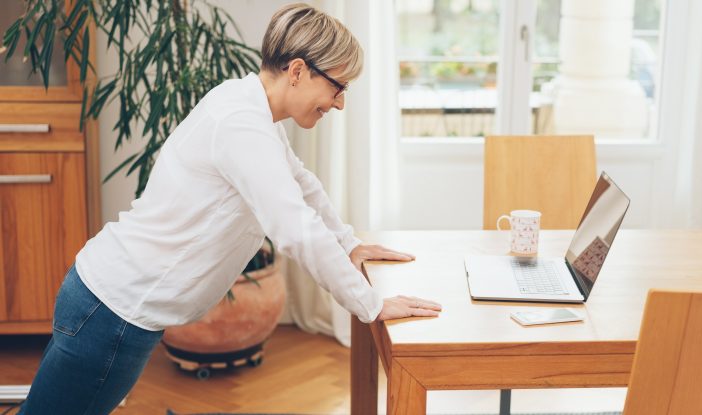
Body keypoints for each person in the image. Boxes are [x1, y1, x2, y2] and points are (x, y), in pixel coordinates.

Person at [19, 3, 442, 414]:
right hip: (111, 313)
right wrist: (370, 305)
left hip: (110, 305)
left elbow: (302, 184)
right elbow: (295, 229)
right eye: (338, 86)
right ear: (297, 71)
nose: (339, 102)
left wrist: (349, 243)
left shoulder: (250, 108)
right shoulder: (242, 124)